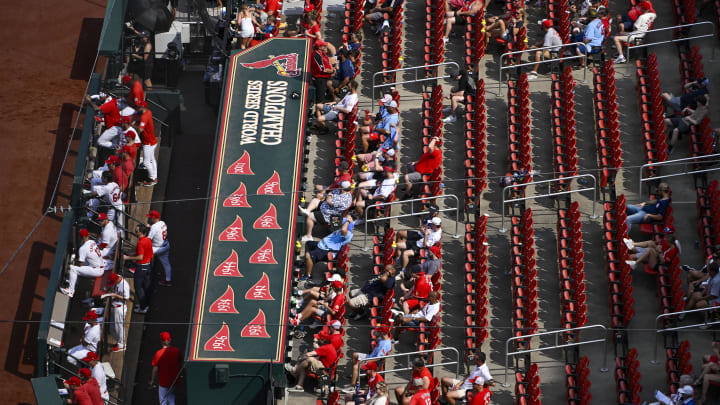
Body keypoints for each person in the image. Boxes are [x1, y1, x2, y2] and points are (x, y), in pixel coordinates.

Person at [301, 215, 355, 280]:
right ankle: (308, 263)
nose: (342, 223)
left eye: (344, 222)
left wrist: (348, 221)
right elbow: (334, 221)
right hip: (321, 245)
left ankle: (308, 275)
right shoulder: (342, 228)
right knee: (308, 244)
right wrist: (347, 217)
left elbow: (344, 230)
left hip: (326, 250)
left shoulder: (348, 234)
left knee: (308, 255)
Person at [61, 229, 104, 298]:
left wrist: (71, 264)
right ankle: (72, 280)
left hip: (96, 270)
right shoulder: (92, 241)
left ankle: (70, 291)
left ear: (82, 237)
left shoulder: (83, 248)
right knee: (80, 264)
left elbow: (80, 264)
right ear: (88, 235)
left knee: (73, 269)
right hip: (99, 265)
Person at [124, 224, 154, 314]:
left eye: (136, 231)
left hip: (141, 267)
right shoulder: (148, 240)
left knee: (138, 288)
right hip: (148, 266)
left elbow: (140, 257)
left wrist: (127, 258)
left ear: (141, 232)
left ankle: (143, 307)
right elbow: (149, 254)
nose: (135, 232)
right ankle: (146, 304)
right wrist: (131, 255)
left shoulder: (141, 243)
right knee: (146, 286)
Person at [150, 331, 182, 405]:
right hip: (174, 381)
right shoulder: (176, 351)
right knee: (171, 399)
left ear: (161, 341)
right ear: (170, 340)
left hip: (163, 383)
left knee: (163, 402)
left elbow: (155, 369)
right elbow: (180, 362)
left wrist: (152, 380)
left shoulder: (158, 353)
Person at [135, 100, 158, 186]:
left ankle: (152, 179)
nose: (137, 107)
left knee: (147, 162)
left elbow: (140, 129)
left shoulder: (144, 116)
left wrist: (134, 126)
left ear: (143, 107)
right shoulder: (149, 112)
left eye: (139, 106)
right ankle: (154, 177)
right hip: (153, 141)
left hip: (148, 143)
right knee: (152, 159)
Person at [105, 272, 130, 352]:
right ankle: (119, 342)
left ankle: (121, 345)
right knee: (112, 327)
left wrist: (115, 295)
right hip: (114, 306)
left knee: (119, 327)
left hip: (120, 308)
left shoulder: (124, 285)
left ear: (117, 279)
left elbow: (127, 299)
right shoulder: (118, 278)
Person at [147, 210, 172, 286]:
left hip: (158, 248)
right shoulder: (162, 223)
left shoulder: (154, 227)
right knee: (166, 264)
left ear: (154, 218)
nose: (150, 218)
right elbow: (158, 230)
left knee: (144, 252)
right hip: (166, 245)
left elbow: (148, 239)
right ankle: (168, 280)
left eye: (151, 217)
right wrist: (150, 227)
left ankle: (137, 268)